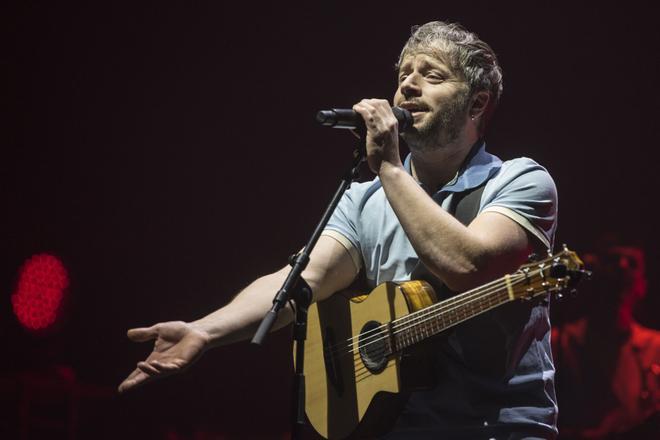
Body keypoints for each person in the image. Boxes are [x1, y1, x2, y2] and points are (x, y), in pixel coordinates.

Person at [120, 21, 559, 439]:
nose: (408, 85)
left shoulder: (520, 181)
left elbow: (468, 266)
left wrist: (389, 167)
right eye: (404, 74)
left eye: (432, 75)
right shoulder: (364, 199)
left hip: (499, 429)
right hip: (391, 429)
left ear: (477, 104)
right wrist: (204, 331)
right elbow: (300, 281)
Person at [552, 243, 660, 438]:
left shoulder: (655, 347)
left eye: (632, 263)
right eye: (612, 260)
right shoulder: (560, 344)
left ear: (642, 285)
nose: (622, 267)